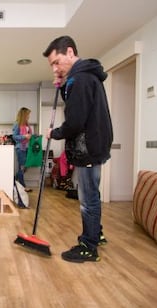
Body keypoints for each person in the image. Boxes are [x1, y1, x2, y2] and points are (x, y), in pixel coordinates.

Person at [43, 35, 113, 263]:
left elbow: (75, 122)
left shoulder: (81, 79)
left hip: (88, 146)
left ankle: (88, 246)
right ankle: (97, 233)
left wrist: (55, 133)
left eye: (56, 62)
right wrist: (62, 84)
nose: (55, 67)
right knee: (92, 193)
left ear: (70, 52)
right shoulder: (81, 77)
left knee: (88, 199)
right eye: (52, 65)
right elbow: (77, 106)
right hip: (93, 144)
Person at [12, 107, 33, 192]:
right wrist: (24, 136)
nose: (29, 116)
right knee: (22, 167)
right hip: (20, 148)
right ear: (24, 115)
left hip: (28, 148)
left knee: (24, 168)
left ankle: (14, 183)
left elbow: (29, 135)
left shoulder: (27, 125)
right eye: (28, 114)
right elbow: (14, 136)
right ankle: (22, 186)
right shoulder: (17, 124)